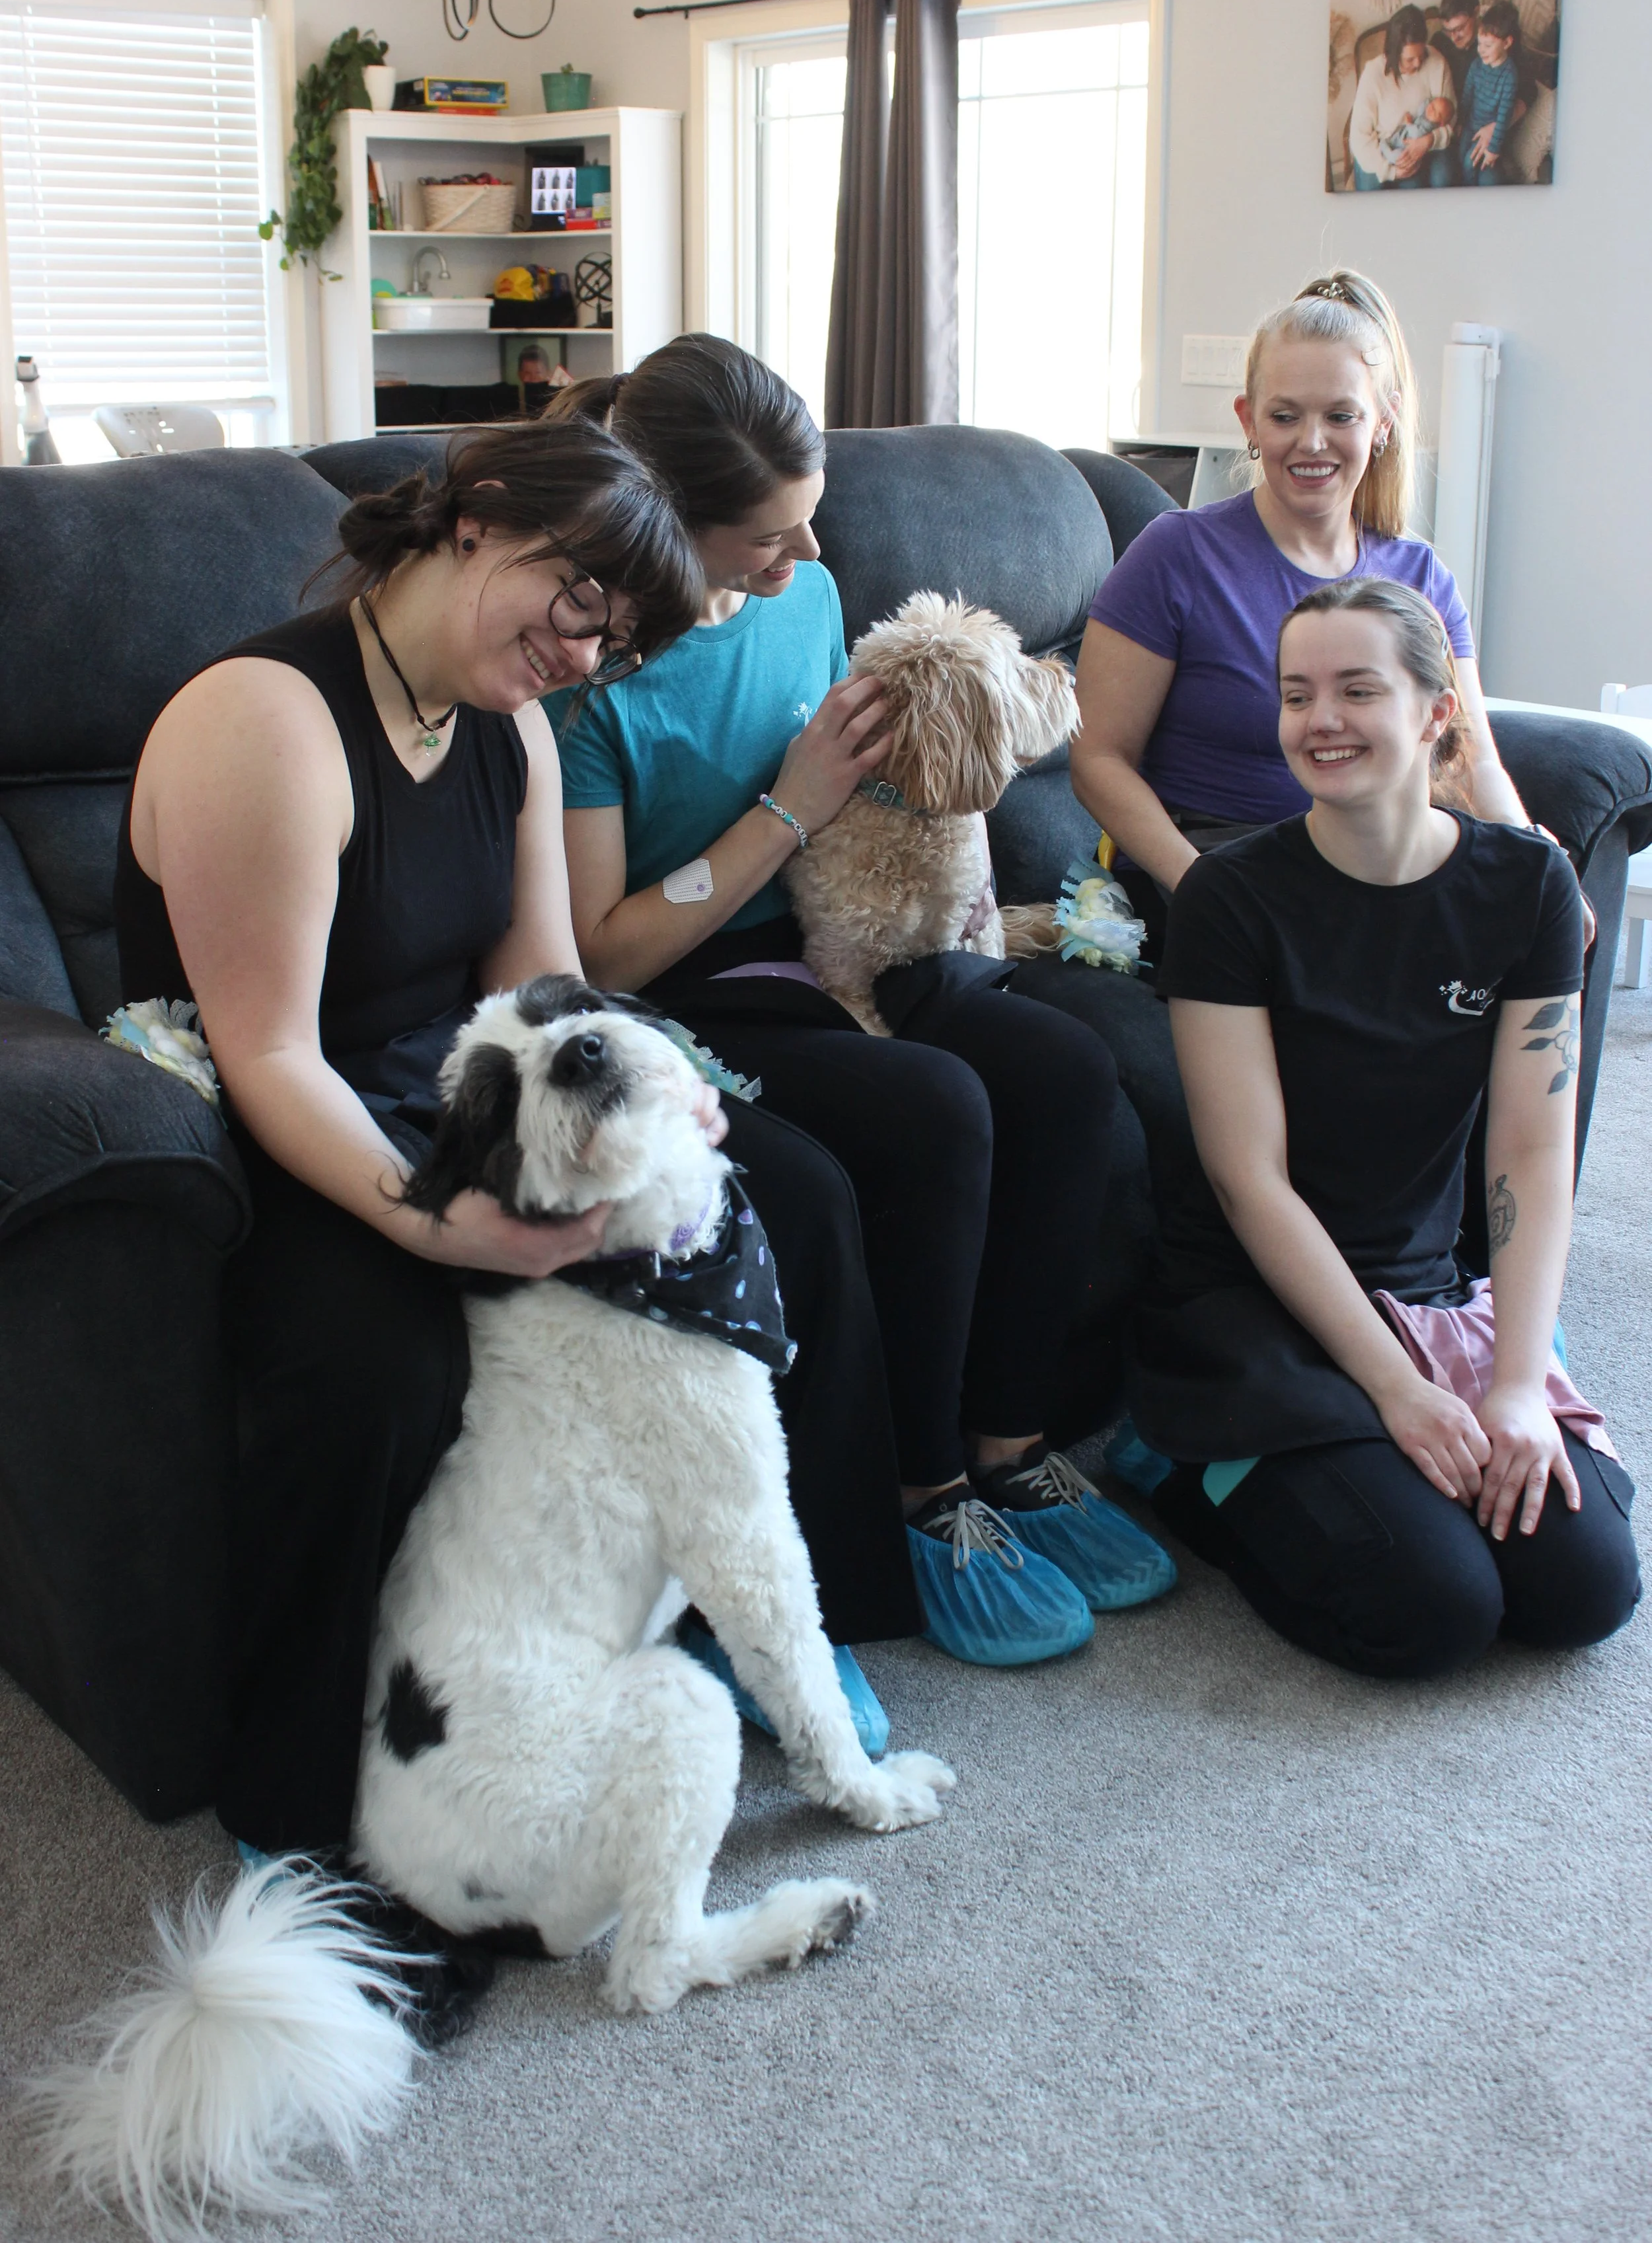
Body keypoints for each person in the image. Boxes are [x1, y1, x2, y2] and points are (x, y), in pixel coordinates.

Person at [114, 422, 915, 1902]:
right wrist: (433, 1232)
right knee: (383, 1361)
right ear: (476, 522)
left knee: (786, 1188)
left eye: (609, 639)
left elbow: (547, 977)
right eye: (573, 606)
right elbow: (273, 1053)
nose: (579, 652)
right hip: (275, 1111)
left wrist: (658, 1094)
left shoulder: (511, 724)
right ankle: (288, 1778)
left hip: (459, 1081)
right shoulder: (265, 719)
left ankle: (793, 1632)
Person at [546, 336, 1177, 1672]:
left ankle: (1011, 1452)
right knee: (932, 1106)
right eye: (766, 539)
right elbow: (603, 950)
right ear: (667, 525)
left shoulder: (809, 592)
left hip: (858, 938)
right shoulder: (592, 679)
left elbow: (886, 794)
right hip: (702, 983)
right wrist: (789, 806)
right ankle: (919, 1494)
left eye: (810, 515)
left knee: (1062, 1074)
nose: (804, 553)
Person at [1125, 577, 1639, 1677]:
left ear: (1436, 711)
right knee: (1431, 1610)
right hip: (1258, 1299)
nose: (1320, 721)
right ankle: (1192, 1474)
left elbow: (1533, 1153)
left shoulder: (1531, 884)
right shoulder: (1230, 896)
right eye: (1296, 693)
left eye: (1358, 689)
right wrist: (1398, 1393)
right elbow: (1248, 1182)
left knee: (1582, 1588)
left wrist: (1509, 1380)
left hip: (1424, 1285)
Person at [1069, 269, 1535, 1224]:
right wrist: (1197, 883)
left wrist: (1534, 865)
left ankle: (1488, 1286)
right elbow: (1099, 759)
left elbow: (1471, 757)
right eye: (1285, 415)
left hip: (1378, 857)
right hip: (1226, 859)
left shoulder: (1417, 574)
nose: (1310, 442)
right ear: (1248, 418)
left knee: (1525, 974)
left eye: (1338, 415)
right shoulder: (1177, 553)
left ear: (1386, 419)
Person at [1348, 5, 1456, 188]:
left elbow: (1451, 116)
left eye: (1421, 55)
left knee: (1424, 185)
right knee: (1370, 191)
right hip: (1383, 147)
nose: (1418, 63)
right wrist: (1390, 171)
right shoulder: (1373, 73)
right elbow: (1359, 136)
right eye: (1410, 59)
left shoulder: (1437, 62)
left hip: (1423, 144)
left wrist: (1430, 141)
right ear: (1393, 52)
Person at [1456, 0, 1521, 185]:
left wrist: (1493, 148)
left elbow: (1504, 116)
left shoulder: (1509, 76)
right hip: (1471, 125)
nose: (1481, 51)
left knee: (1470, 162)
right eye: (1479, 44)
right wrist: (1460, 122)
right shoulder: (1477, 65)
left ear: (1507, 43)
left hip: (1491, 133)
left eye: (1488, 45)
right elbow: (1467, 96)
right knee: (1461, 156)